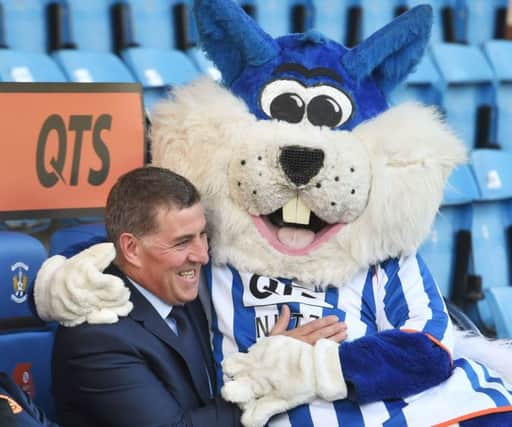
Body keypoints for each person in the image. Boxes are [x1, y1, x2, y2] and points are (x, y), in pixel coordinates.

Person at [51, 166, 346, 427]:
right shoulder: (95, 337)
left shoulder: (177, 289)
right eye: (182, 243)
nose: (202, 256)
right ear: (131, 249)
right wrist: (271, 373)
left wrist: (267, 358)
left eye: (203, 235)